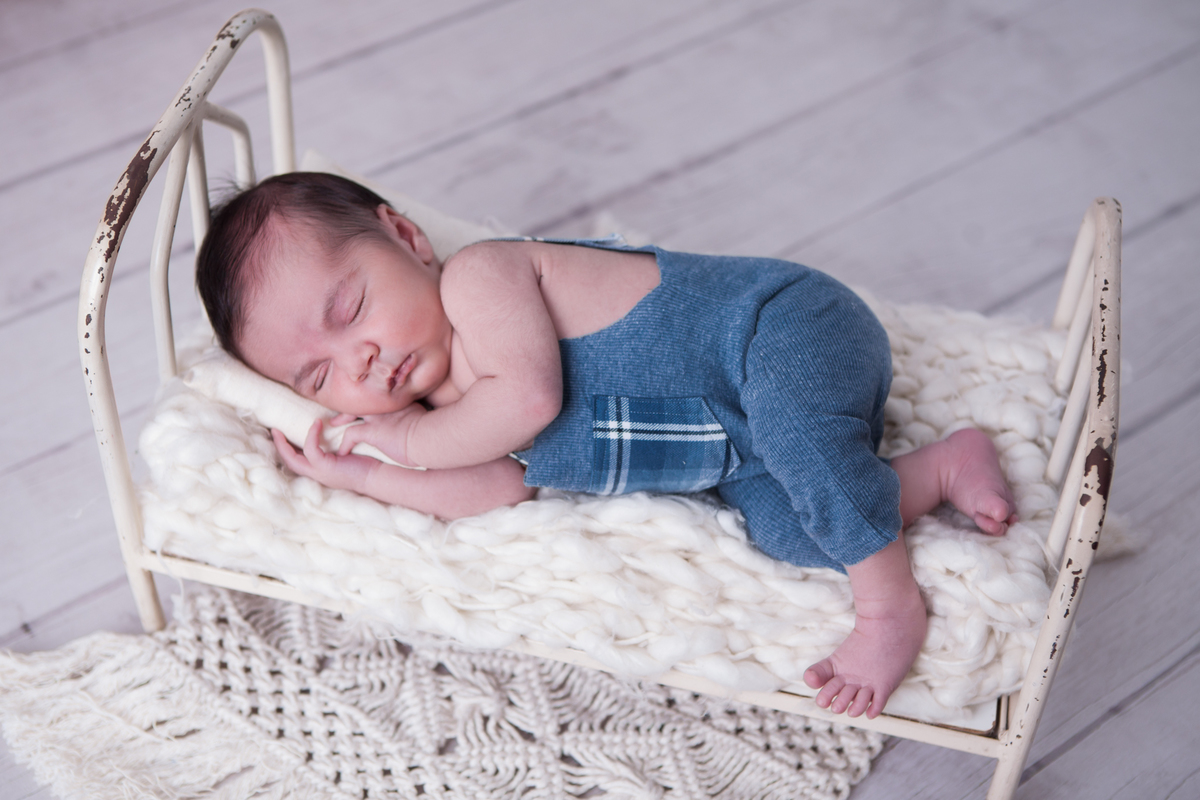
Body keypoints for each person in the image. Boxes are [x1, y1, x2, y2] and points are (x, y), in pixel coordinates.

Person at [196, 171, 1017, 720]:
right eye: (317, 377)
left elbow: (528, 399)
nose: (361, 361)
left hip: (780, 333)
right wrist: (363, 475)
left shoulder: (481, 280)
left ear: (406, 238)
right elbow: (494, 490)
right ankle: (941, 465)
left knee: (807, 445)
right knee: (793, 529)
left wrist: (403, 440)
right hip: (740, 448)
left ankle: (887, 607)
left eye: (351, 311)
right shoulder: (451, 416)